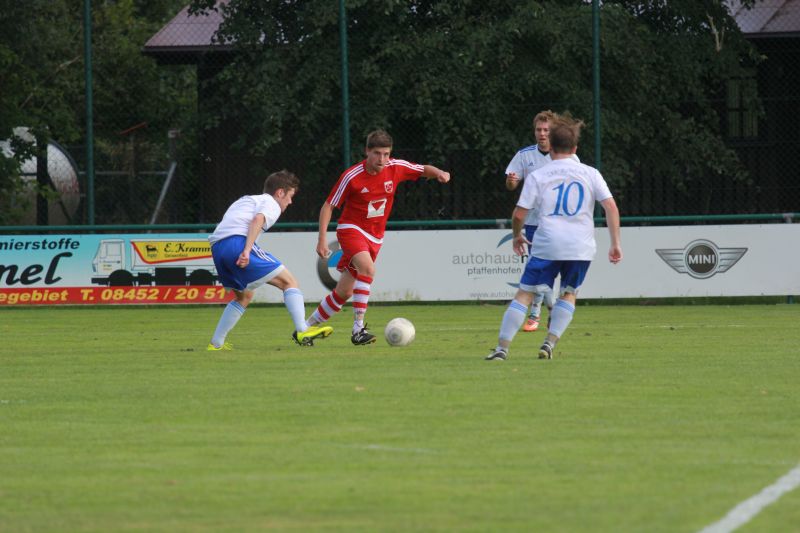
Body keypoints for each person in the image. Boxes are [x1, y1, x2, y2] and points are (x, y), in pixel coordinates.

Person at [486, 114, 622, 361]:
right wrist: (615, 244)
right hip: (580, 246)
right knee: (569, 293)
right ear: (575, 148)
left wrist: (516, 236)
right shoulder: (591, 173)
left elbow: (519, 214)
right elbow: (611, 207)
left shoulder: (539, 175)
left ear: (551, 148)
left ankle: (502, 349)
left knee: (524, 294)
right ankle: (549, 343)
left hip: (547, 243)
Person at [306, 129, 451, 345]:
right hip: (351, 229)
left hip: (375, 236)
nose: (382, 159)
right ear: (367, 151)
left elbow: (422, 169)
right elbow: (328, 206)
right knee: (368, 269)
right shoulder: (352, 176)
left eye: (386, 154)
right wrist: (321, 239)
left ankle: (305, 328)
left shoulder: (395, 167)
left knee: (343, 292)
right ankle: (358, 329)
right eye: (377, 153)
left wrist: (440, 172)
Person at [206, 170, 333, 350]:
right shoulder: (271, 203)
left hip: (218, 249)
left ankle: (216, 343)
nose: (290, 202)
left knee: (244, 296)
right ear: (280, 192)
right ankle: (303, 329)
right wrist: (247, 250)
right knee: (289, 282)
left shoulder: (246, 200)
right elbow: (258, 219)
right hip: (237, 244)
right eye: (290, 196)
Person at [504, 110, 559, 332]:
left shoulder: (563, 156)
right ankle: (542, 312)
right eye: (539, 130)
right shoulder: (524, 155)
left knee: (547, 268)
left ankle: (542, 312)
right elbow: (511, 185)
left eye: (546, 130)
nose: (542, 134)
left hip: (558, 222)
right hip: (534, 222)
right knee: (539, 267)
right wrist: (511, 181)